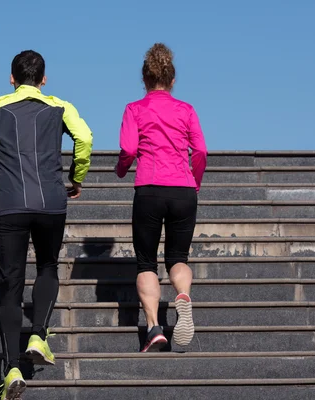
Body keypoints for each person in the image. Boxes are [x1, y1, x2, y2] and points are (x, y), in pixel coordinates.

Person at [0, 50, 93, 399]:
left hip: (9, 203)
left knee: (10, 284)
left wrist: (6, 163)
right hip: (51, 201)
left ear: (11, 78)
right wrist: (76, 175)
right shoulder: (60, 106)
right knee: (48, 265)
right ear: (43, 79)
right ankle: (38, 333)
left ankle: (10, 371)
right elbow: (85, 139)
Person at [115, 43, 208, 352]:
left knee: (145, 262)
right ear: (172, 80)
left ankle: (154, 327)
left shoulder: (134, 109)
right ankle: (182, 295)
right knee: (178, 258)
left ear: (144, 79)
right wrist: (193, 182)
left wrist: (122, 168)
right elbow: (201, 151)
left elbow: (129, 149)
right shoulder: (186, 110)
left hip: (150, 189)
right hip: (183, 190)